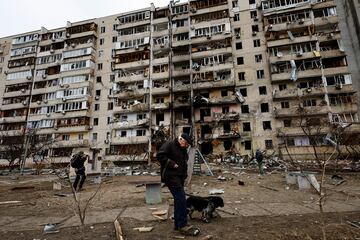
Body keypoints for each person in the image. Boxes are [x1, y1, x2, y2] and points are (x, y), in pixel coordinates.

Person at [157, 133, 200, 236]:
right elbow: (160, 156)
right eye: (186, 143)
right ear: (181, 139)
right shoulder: (170, 144)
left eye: (188, 145)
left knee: (178, 200)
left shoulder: (183, 149)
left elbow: (184, 163)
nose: (186, 146)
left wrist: (184, 176)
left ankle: (178, 224)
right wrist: (172, 163)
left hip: (179, 178)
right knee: (181, 199)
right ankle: (182, 225)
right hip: (170, 176)